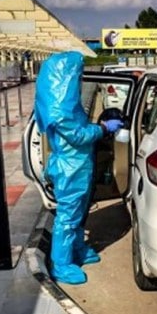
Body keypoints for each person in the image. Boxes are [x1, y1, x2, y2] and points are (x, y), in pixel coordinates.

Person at [34, 51, 123, 285]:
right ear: (67, 76)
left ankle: (77, 250)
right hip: (70, 171)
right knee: (68, 218)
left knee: (78, 215)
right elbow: (78, 136)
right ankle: (62, 264)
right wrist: (103, 128)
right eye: (78, 74)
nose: (81, 78)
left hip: (78, 168)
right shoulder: (61, 110)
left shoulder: (67, 104)